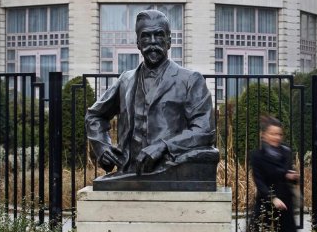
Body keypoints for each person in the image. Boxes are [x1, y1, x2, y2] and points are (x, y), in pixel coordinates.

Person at [85, 10, 218, 176]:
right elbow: (94, 115)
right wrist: (103, 148)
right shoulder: (125, 80)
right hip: (129, 172)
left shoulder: (190, 80)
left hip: (170, 171)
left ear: (169, 41)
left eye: (159, 35)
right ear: (138, 43)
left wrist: (164, 146)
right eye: (146, 36)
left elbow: (205, 130)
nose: (153, 42)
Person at [249, 116, 299, 232]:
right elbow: (259, 182)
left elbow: (289, 175)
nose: (276, 137)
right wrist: (273, 199)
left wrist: (292, 177)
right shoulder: (257, 156)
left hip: (285, 205)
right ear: (264, 135)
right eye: (272, 134)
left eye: (279, 134)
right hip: (266, 205)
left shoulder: (286, 152)